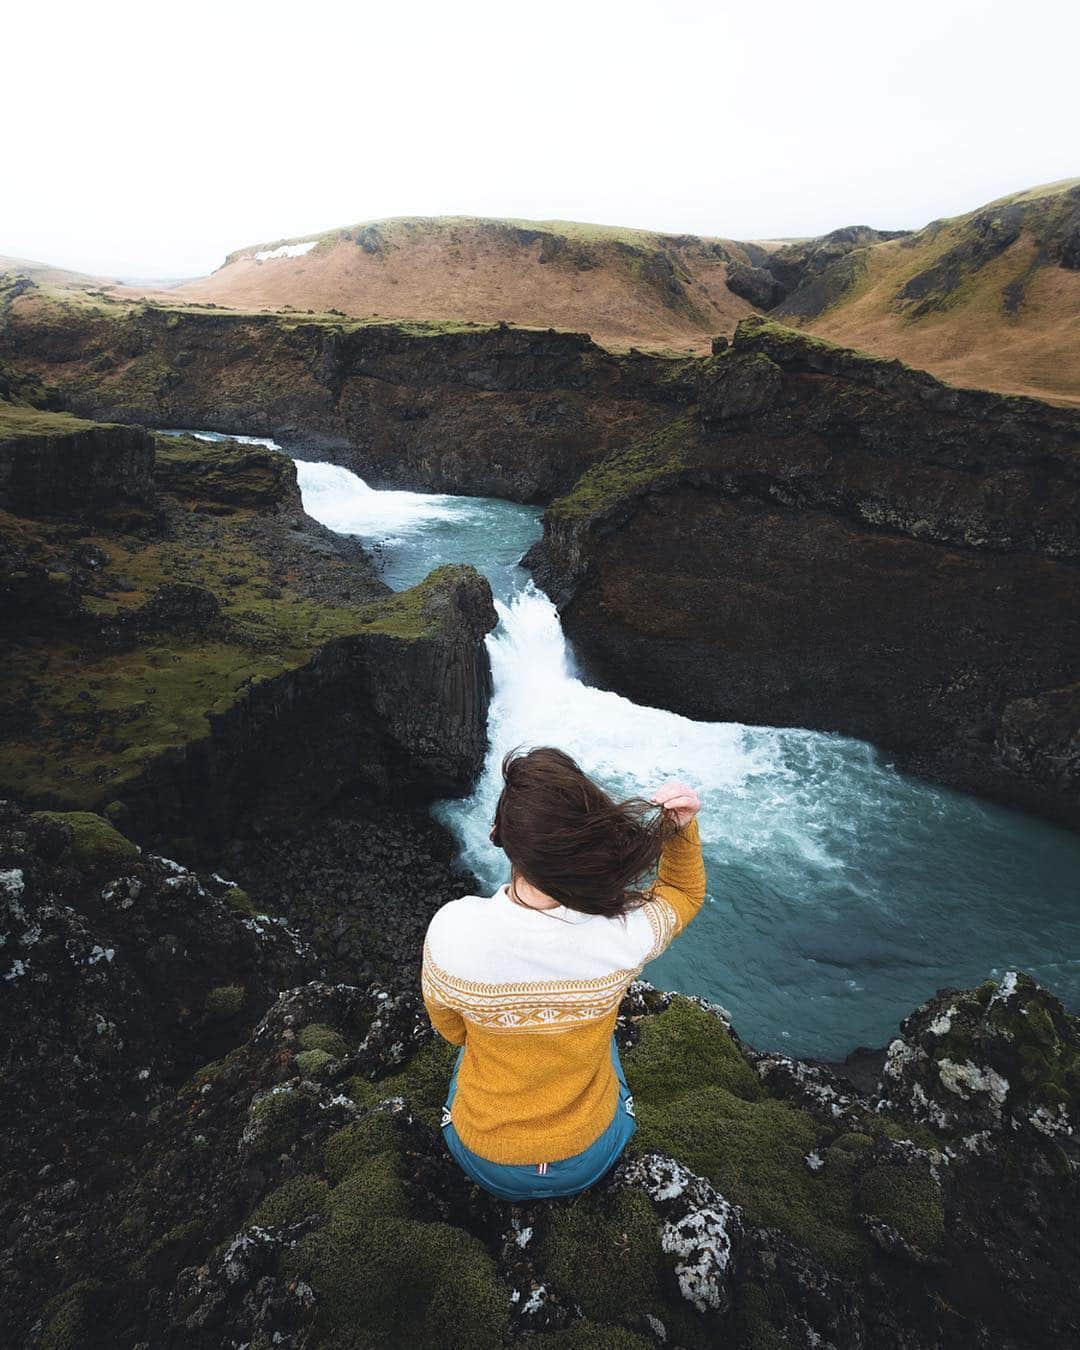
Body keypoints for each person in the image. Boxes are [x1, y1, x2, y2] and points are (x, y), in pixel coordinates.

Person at [421, 745, 705, 1201]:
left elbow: (452, 1031)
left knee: (474, 1047)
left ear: (498, 836)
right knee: (604, 1040)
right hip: (587, 1158)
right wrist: (679, 830)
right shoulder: (625, 935)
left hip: (482, 1158)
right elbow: (681, 892)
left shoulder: (451, 931)